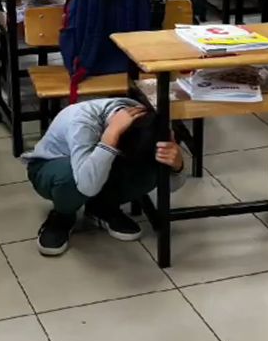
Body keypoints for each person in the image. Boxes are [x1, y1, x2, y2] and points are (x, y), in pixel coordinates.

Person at [23, 98, 186, 256]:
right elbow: (87, 186)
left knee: (150, 171)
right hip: (50, 167)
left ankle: (101, 207)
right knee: (70, 176)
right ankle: (62, 215)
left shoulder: (150, 122)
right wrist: (111, 136)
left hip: (101, 167)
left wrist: (177, 165)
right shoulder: (82, 122)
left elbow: (171, 187)